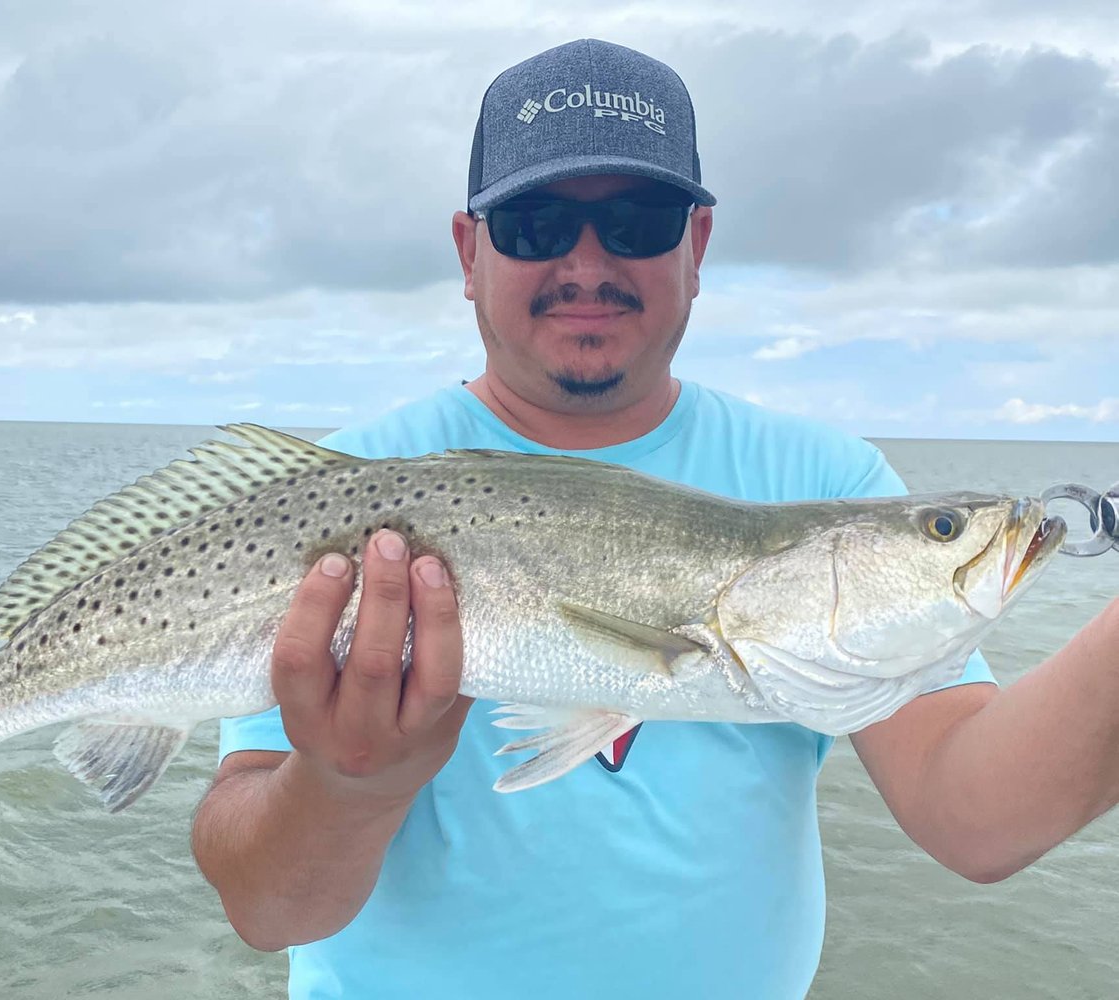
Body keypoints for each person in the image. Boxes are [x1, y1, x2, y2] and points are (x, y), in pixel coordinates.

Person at [192, 38, 1119, 999]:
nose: (585, 263)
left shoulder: (818, 473)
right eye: (535, 221)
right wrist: (349, 784)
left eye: (637, 220)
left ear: (698, 246)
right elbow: (268, 914)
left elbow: (978, 819)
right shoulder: (342, 498)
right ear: (470, 252)